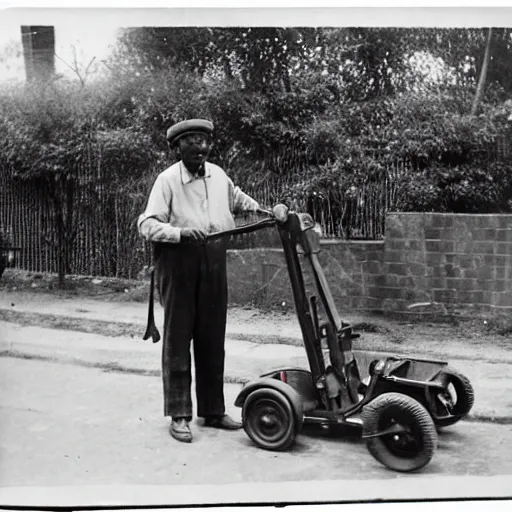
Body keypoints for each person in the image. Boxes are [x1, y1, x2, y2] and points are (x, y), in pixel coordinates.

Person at [137, 119, 260, 443]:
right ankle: (179, 414)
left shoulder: (218, 174)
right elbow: (147, 224)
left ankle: (213, 410)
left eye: (204, 142)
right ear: (177, 148)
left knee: (212, 339)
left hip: (214, 264)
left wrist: (263, 210)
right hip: (178, 265)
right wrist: (180, 233)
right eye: (192, 142)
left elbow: (237, 198)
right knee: (178, 340)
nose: (200, 148)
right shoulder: (167, 181)